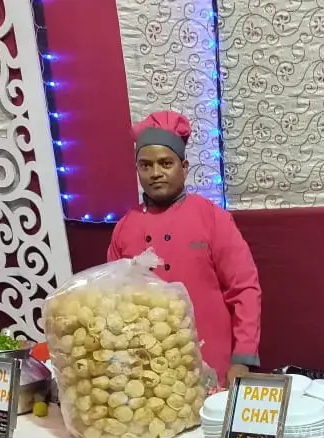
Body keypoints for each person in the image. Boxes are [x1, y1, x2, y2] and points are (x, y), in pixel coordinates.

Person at [108, 111, 262, 387]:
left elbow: (244, 289)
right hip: (147, 369)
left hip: (212, 362)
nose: (156, 173)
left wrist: (243, 357)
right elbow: (112, 299)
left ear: (185, 167)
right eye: (146, 165)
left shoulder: (212, 218)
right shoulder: (124, 228)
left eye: (165, 163)